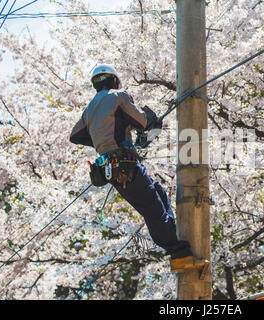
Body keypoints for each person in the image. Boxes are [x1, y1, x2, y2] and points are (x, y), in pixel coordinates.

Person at [69, 64, 206, 272]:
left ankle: (174, 235)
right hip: (125, 163)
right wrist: (146, 125)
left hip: (110, 169)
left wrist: (102, 138)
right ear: (115, 80)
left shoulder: (89, 110)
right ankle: (178, 253)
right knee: (152, 209)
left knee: (157, 192)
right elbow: (142, 121)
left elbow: (75, 135)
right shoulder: (118, 95)